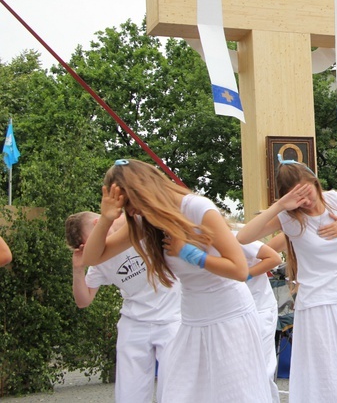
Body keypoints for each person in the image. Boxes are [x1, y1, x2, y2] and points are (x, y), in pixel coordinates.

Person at [81, 159, 272, 403]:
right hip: (191, 319)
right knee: (180, 395)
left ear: (143, 190)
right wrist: (107, 218)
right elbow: (92, 257)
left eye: (129, 202)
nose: (129, 211)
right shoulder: (145, 223)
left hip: (229, 317)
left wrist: (190, 254)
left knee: (234, 395)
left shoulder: (196, 208)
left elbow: (239, 269)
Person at [236, 157, 337, 403]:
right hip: (315, 303)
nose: (307, 200)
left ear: (315, 182)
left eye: (309, 190)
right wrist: (280, 205)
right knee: (323, 370)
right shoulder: (289, 217)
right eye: (298, 196)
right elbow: (244, 237)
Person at [66, 211, 181, 403]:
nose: (98, 248)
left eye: (95, 241)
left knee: (174, 388)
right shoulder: (99, 259)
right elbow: (83, 301)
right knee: (129, 393)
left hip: (172, 315)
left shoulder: (137, 222)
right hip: (134, 320)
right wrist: (78, 269)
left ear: (98, 224)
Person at [239, 238, 283, 403]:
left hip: (259, 308)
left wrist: (244, 275)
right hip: (232, 311)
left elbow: (274, 258)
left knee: (262, 369)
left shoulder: (236, 236)